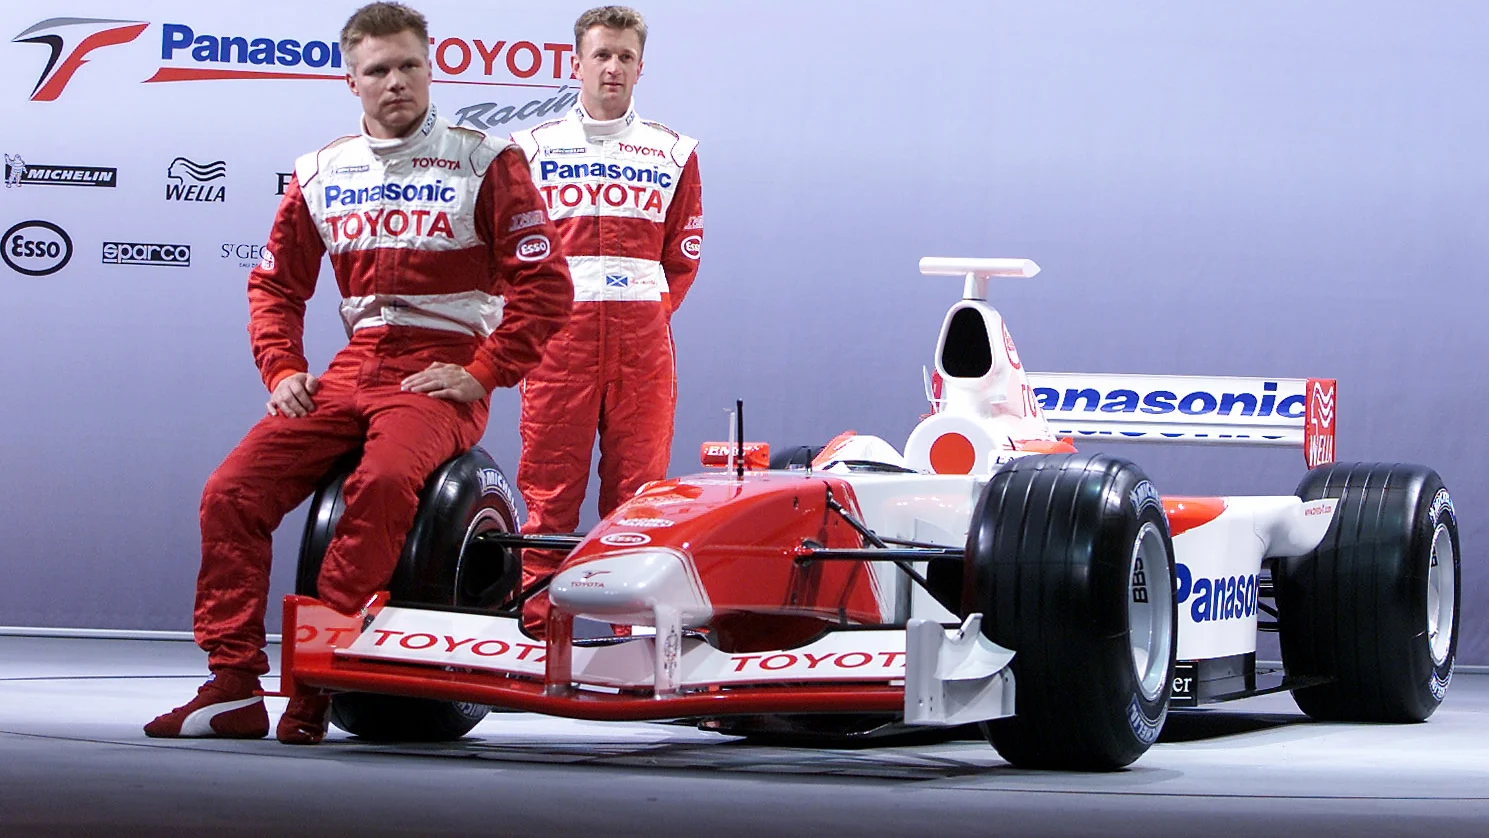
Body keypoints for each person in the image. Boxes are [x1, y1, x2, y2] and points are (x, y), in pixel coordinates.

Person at [144, 1, 572, 745]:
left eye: (410, 65)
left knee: (378, 487)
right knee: (230, 492)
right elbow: (275, 287)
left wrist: (484, 371)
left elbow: (546, 285)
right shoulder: (320, 170)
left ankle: (317, 678)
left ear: (430, 67)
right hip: (351, 368)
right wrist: (282, 369)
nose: (397, 82)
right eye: (379, 70)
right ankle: (233, 685)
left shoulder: (486, 157)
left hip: (437, 370)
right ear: (352, 80)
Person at [511, 5, 703, 630]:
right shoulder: (530, 149)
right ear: (576, 63)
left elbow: (682, 256)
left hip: (643, 347)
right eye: (602, 54)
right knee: (548, 498)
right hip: (558, 347)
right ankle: (539, 634)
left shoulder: (674, 151)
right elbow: (511, 254)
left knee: (639, 499)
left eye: (624, 56)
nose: (612, 67)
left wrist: (641, 315)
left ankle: (634, 635)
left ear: (641, 67)